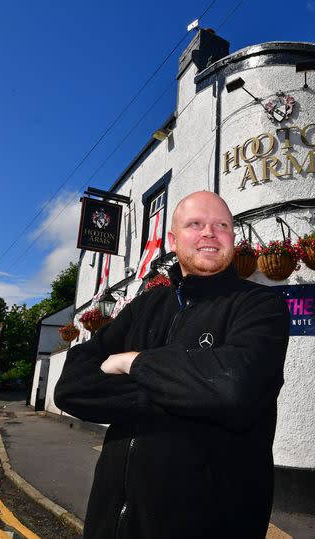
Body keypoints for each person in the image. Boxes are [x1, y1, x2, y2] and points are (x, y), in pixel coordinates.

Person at [54, 191, 290, 539]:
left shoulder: (260, 307)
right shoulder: (145, 306)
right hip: (109, 526)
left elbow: (231, 388)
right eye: (195, 224)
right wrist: (182, 393)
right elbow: (71, 385)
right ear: (173, 239)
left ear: (233, 238)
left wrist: (134, 363)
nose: (210, 232)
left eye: (221, 225)